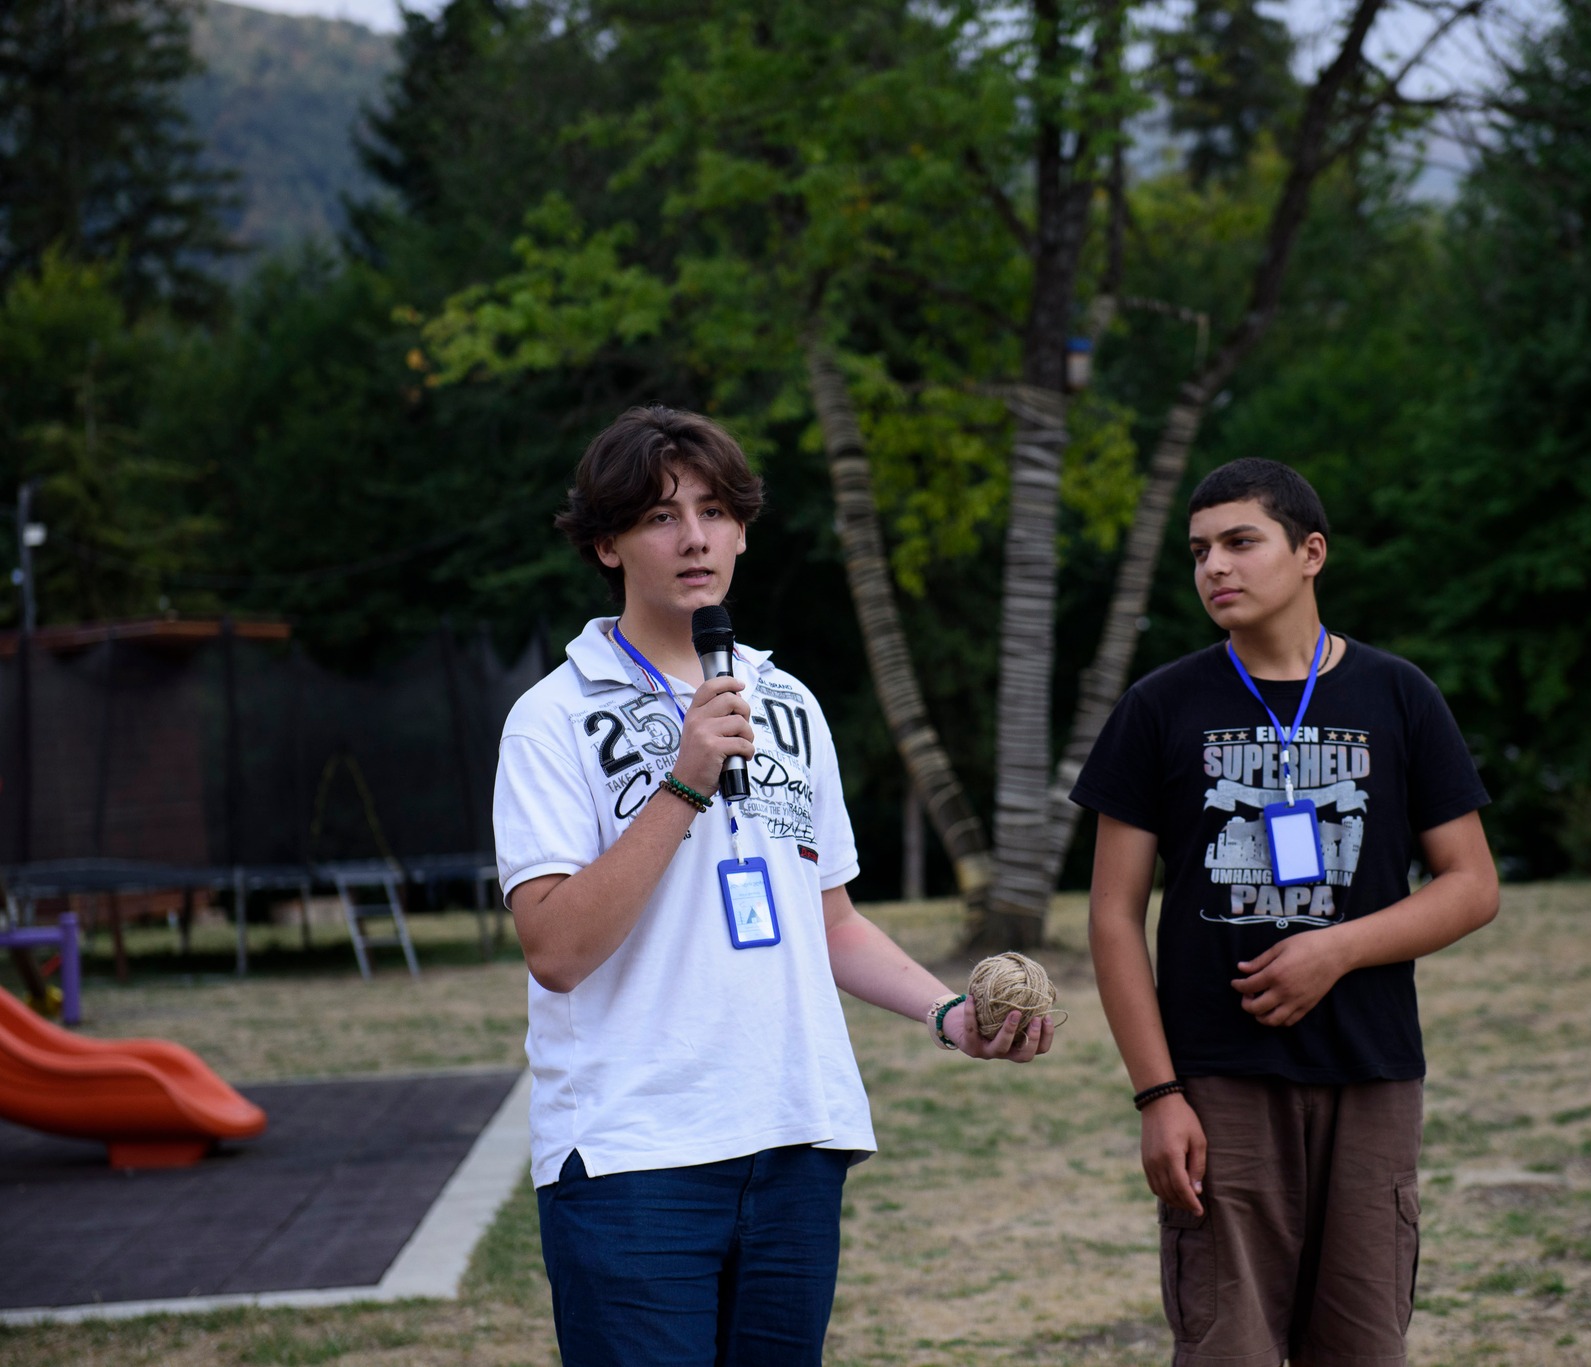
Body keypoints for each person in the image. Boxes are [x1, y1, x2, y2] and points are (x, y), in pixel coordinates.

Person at [493, 405, 1053, 1367]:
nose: (695, 537)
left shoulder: (787, 701)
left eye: (714, 511)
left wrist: (949, 1013)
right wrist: (683, 781)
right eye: (661, 516)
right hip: (634, 1157)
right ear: (606, 544)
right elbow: (555, 949)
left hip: (796, 1138)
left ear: (744, 531)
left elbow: (828, 919)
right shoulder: (551, 718)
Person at [1073, 457, 1500, 1366]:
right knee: (1225, 1346)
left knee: (1362, 1348)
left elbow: (1471, 884)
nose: (1215, 566)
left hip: (1370, 1073)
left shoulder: (1398, 695)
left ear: (1311, 552)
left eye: (1240, 541)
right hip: (1218, 1082)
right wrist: (1158, 1095)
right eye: (1199, 551)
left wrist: (1336, 950)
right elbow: (1112, 916)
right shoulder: (1159, 706)